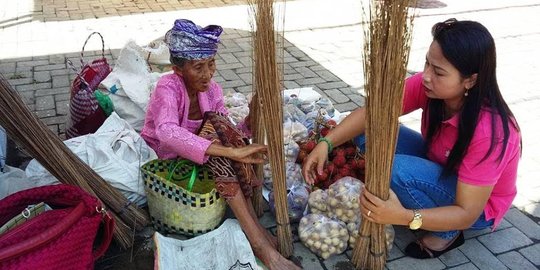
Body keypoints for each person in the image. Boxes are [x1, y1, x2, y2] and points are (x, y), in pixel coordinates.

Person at [302, 18, 521, 259]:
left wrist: (404, 217)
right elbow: (373, 113)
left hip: (475, 208)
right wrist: (326, 143)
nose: (426, 76)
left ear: (470, 80)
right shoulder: (430, 87)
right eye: (427, 63)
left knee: (394, 170)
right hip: (441, 163)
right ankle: (411, 190)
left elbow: (468, 212)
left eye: (438, 72)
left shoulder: (492, 133)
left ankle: (449, 233)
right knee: (371, 131)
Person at [141, 19, 300, 269]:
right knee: (222, 147)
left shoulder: (212, 90)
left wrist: (250, 120)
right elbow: (167, 132)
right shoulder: (167, 86)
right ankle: (260, 243)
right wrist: (231, 150)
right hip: (167, 159)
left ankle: (257, 233)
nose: (208, 74)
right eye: (198, 67)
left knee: (220, 131)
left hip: (206, 157)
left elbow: (227, 131)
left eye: (211, 64)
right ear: (178, 69)